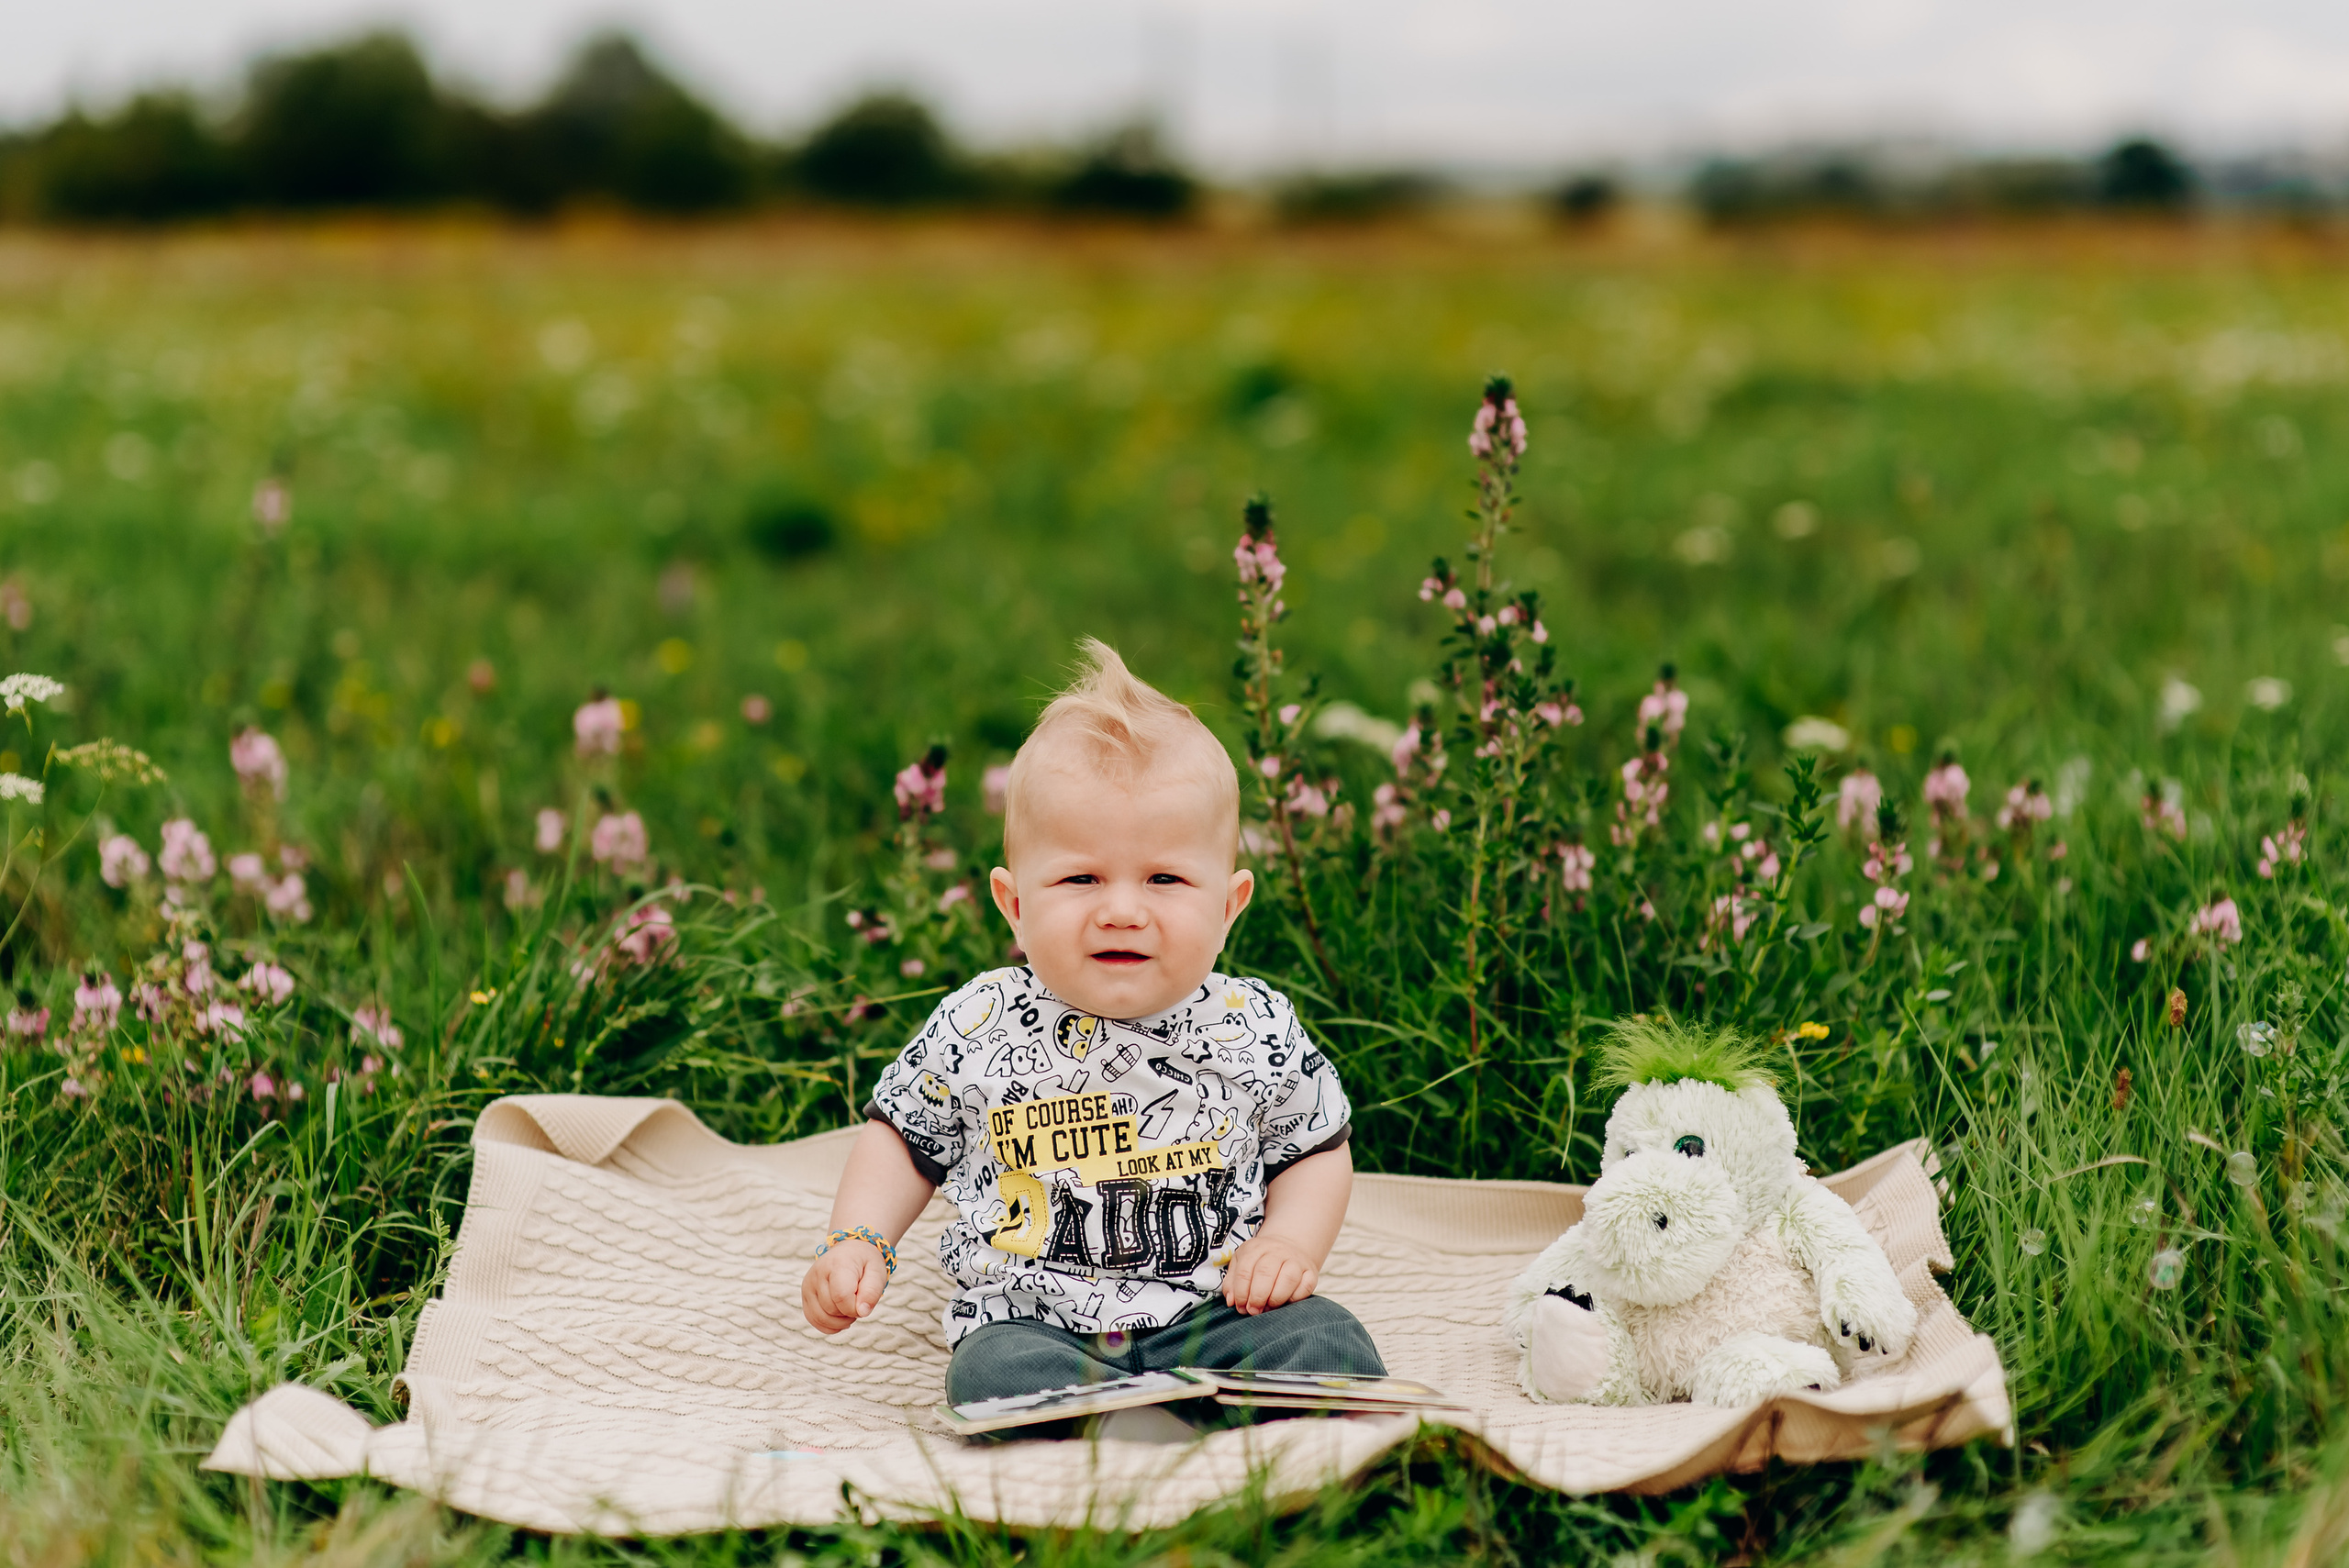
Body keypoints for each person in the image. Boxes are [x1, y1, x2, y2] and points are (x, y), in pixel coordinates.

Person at [800, 638, 1382, 1422]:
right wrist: (860, 1239)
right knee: (993, 1375)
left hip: (1213, 1311)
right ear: (1013, 902)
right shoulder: (981, 1021)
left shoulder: (1253, 1025)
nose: (1121, 908)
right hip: (1036, 1318)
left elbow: (1314, 1148)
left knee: (1330, 1344)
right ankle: (1107, 1408)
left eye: (1165, 878)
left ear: (1229, 904)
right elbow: (904, 1138)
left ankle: (1178, 1400)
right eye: (1081, 878)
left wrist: (1289, 1246)